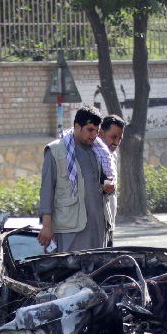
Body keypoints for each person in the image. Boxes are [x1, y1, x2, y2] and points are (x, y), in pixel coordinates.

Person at [38, 107, 112, 252]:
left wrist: (107, 187)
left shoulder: (97, 150)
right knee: (71, 273)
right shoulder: (56, 151)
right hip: (70, 231)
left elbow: (98, 183)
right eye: (90, 130)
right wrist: (47, 226)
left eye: (97, 131)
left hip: (96, 228)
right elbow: (47, 191)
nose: (94, 135)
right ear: (77, 126)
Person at [99, 114, 126, 247]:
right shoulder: (94, 153)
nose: (116, 142)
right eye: (113, 137)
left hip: (109, 221)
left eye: (120, 138)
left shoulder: (112, 154)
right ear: (101, 133)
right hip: (96, 222)